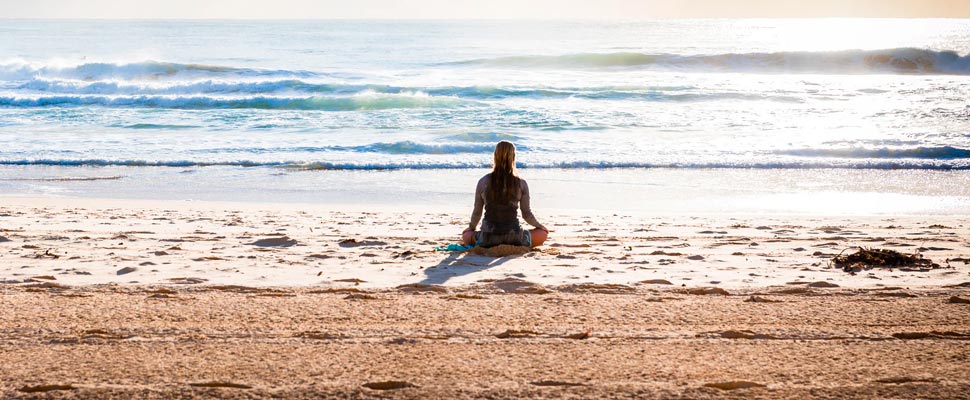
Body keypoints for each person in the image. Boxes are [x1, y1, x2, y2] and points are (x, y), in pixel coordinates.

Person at [462, 141, 549, 248]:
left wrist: (471, 228)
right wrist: (539, 226)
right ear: (513, 157)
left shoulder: (483, 181)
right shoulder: (521, 183)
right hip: (514, 237)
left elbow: (477, 212)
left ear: (495, 156)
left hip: (487, 238)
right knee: (543, 234)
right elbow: (526, 214)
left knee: (466, 235)